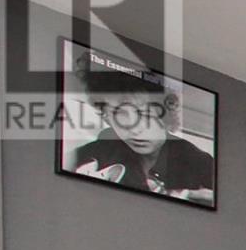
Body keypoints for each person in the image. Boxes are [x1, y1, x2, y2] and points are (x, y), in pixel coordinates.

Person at [66, 52, 215, 206]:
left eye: (144, 113)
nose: (133, 129)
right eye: (118, 113)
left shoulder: (203, 166)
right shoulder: (83, 157)